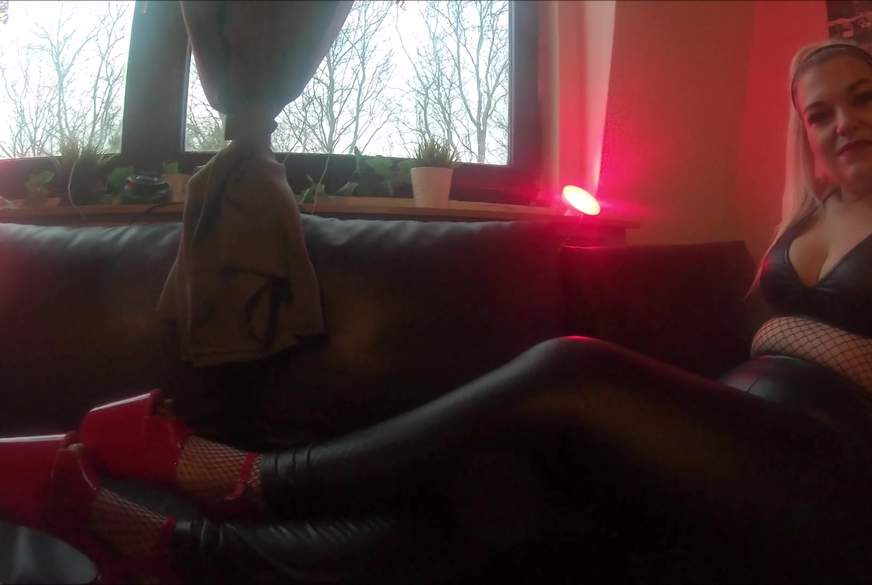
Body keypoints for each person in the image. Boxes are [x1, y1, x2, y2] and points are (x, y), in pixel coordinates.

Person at [4, 38, 872, 584]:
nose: (842, 123)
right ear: (804, 132)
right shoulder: (808, 221)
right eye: (819, 112)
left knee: (570, 365)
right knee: (496, 491)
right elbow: (742, 337)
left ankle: (251, 478)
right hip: (724, 446)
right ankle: (180, 552)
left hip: (824, 471)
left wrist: (779, 342)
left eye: (862, 97)